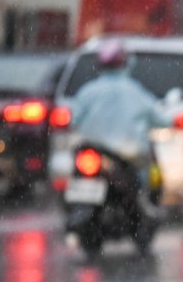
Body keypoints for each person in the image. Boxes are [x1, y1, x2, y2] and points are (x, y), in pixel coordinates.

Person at [71, 39, 167, 214]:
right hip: (126, 156)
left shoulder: (87, 92)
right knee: (145, 179)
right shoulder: (135, 91)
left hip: (93, 152)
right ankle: (146, 205)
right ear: (125, 63)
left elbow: (73, 120)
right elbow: (160, 118)